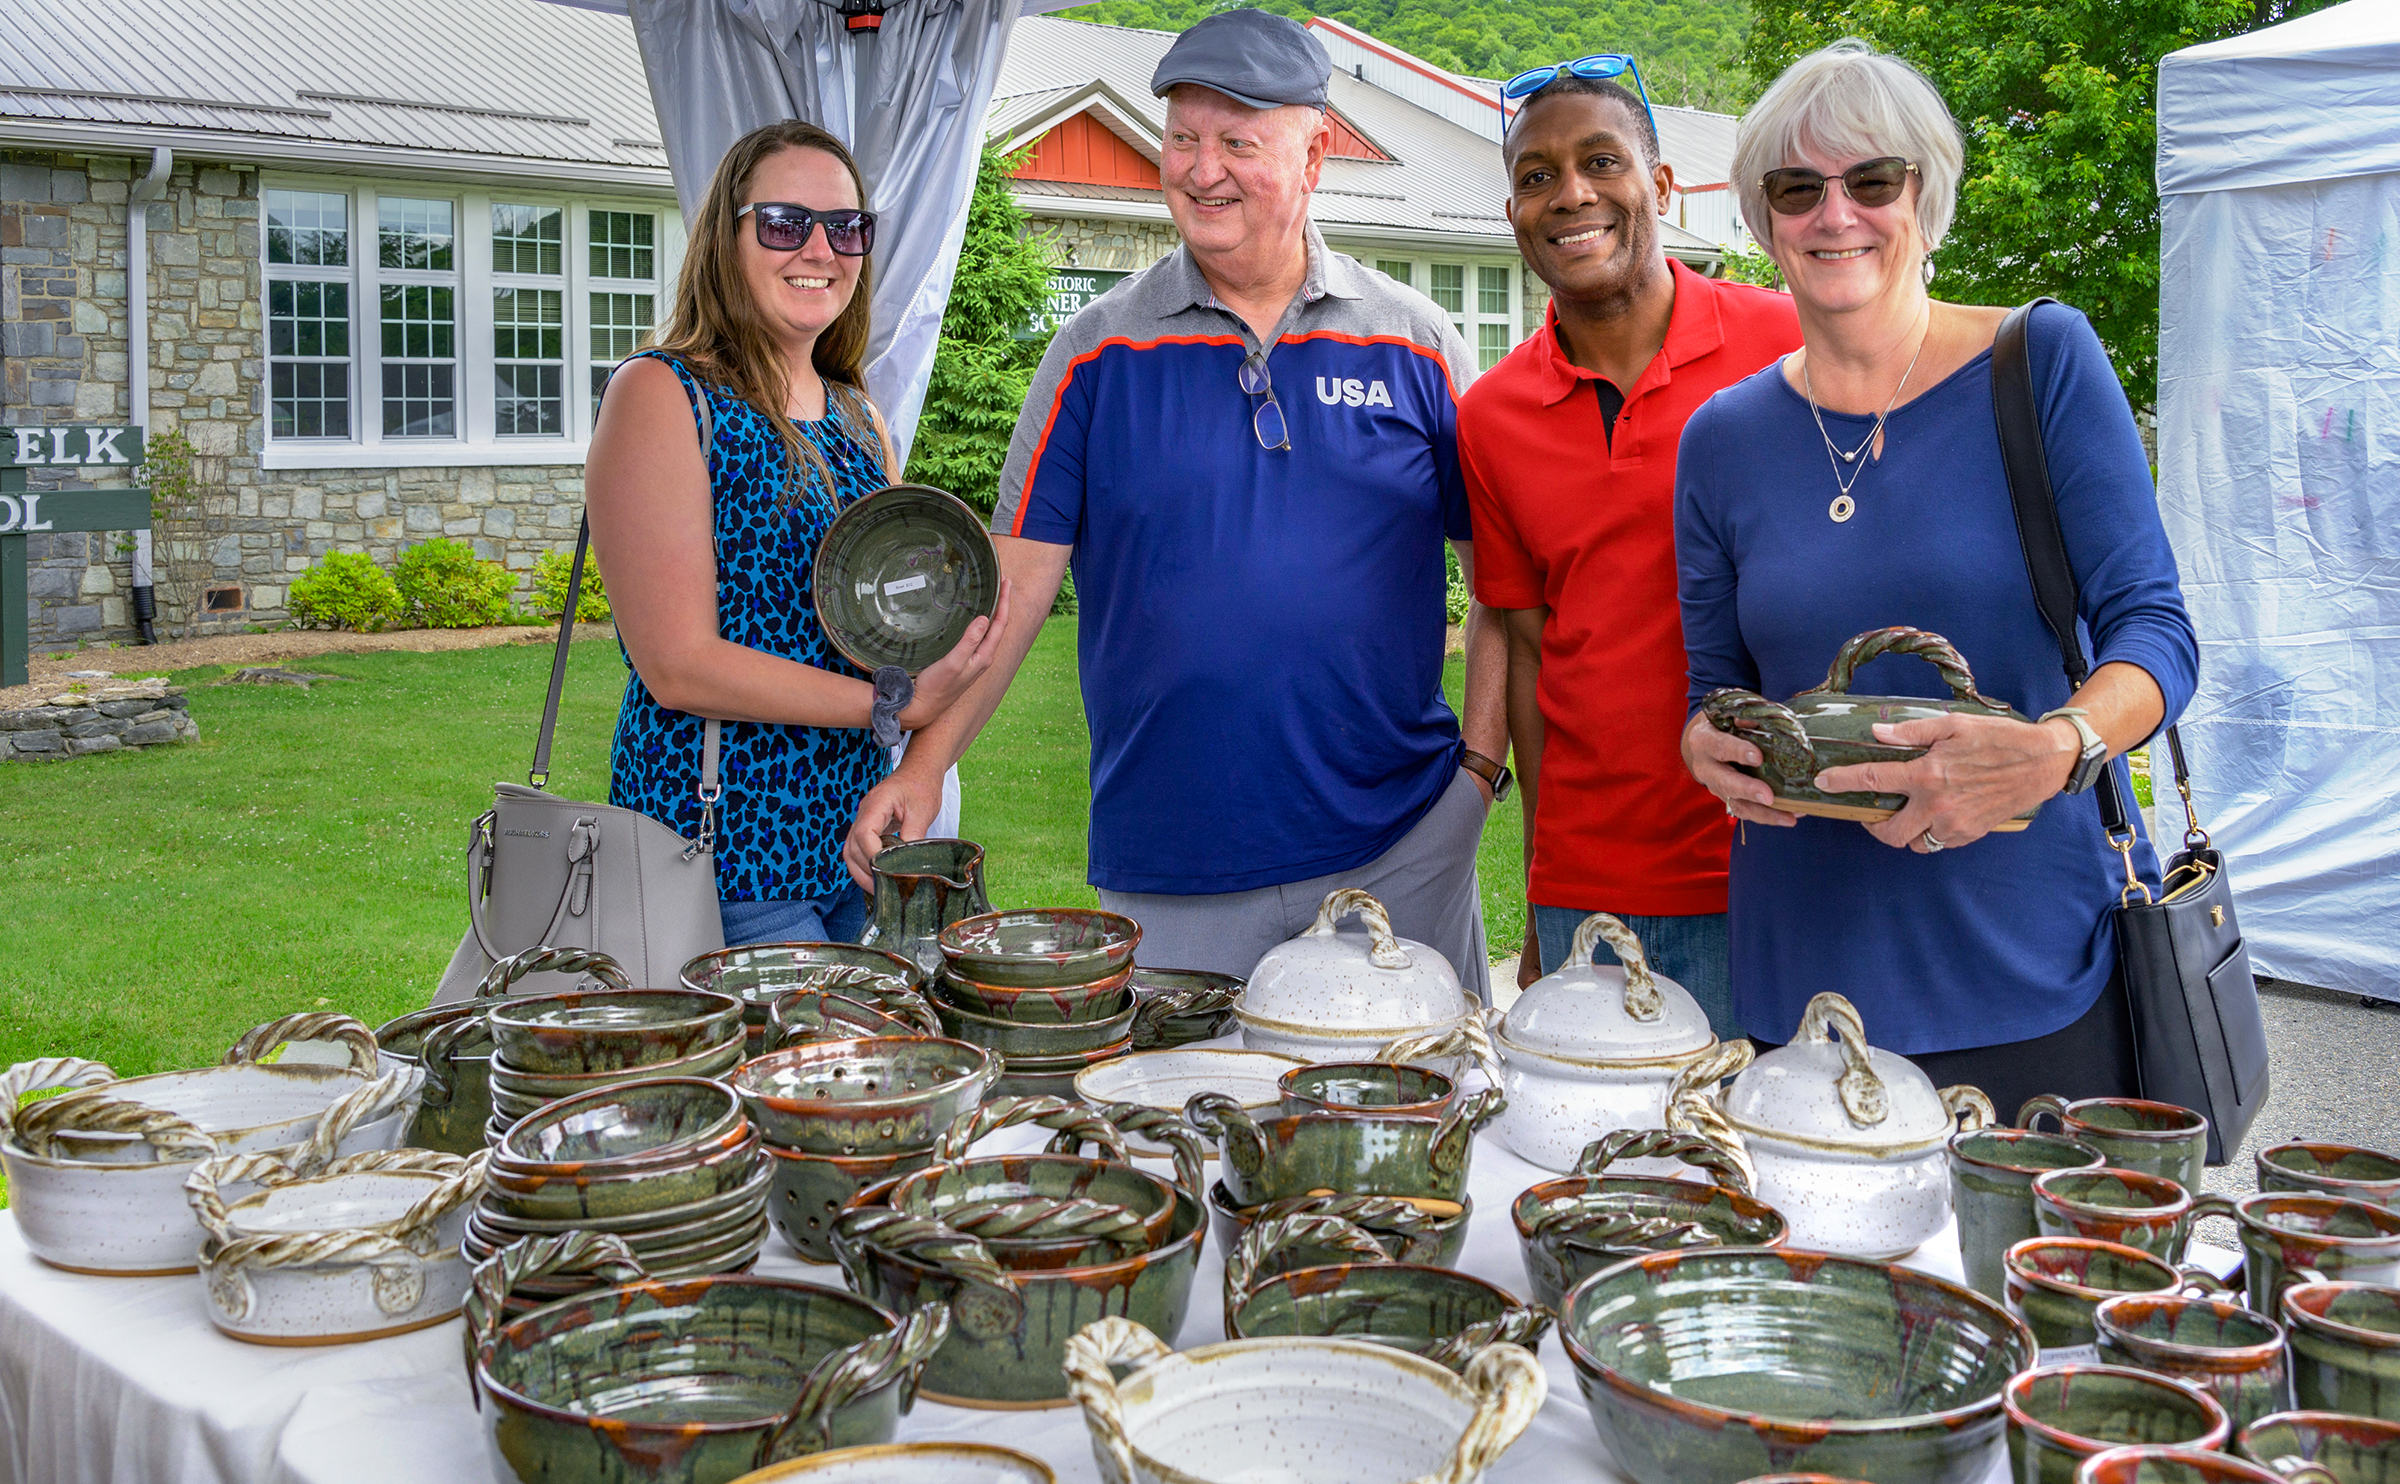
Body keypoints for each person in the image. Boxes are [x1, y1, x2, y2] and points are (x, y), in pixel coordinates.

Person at [842, 9, 1507, 996]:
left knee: (1420, 1092)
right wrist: (925, 764)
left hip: (1400, 858)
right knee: (1186, 1102)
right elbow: (1011, 596)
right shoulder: (1094, 354)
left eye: (1238, 141)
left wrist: (1478, 774)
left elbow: (1503, 584)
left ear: (1315, 154)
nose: (1202, 171)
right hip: (1172, 873)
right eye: (1184, 138)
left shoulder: (1415, 344)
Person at [1674, 40, 2197, 1115]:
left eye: (1873, 180)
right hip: (1804, 987)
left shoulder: (2040, 363)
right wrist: (1704, 744)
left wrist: (2058, 748)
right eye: (1797, 188)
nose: (1836, 214)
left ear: (1926, 197)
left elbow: (2156, 632)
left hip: (2029, 967)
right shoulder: (1721, 439)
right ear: (1764, 218)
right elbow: (1715, 685)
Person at [587, 120, 1011, 947]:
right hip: (718, 858)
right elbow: (676, 663)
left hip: (859, 852)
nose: (821, 249)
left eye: (847, 227)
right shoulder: (664, 395)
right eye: (786, 223)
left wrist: (948, 650)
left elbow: (897, 628)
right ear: (726, 237)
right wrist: (888, 708)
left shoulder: (858, 418)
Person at [1461, 55, 1800, 1034]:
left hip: (1777, 865)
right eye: (1536, 176)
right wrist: (1541, 886)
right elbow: (1530, 653)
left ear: (1661, 184)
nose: (1570, 193)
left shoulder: (1787, 345)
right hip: (1593, 898)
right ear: (1515, 213)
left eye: (1601, 161)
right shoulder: (1491, 416)